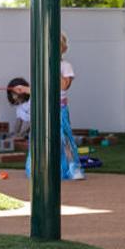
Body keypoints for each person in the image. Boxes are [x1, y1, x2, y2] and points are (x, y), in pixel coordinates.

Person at [15, 31, 83, 181]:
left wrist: (53, 67)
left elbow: (64, 86)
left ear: (62, 48)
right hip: (43, 109)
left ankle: (73, 168)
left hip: (59, 109)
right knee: (41, 138)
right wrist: (25, 89)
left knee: (63, 138)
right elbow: (41, 89)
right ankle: (40, 168)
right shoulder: (42, 66)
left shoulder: (66, 66)